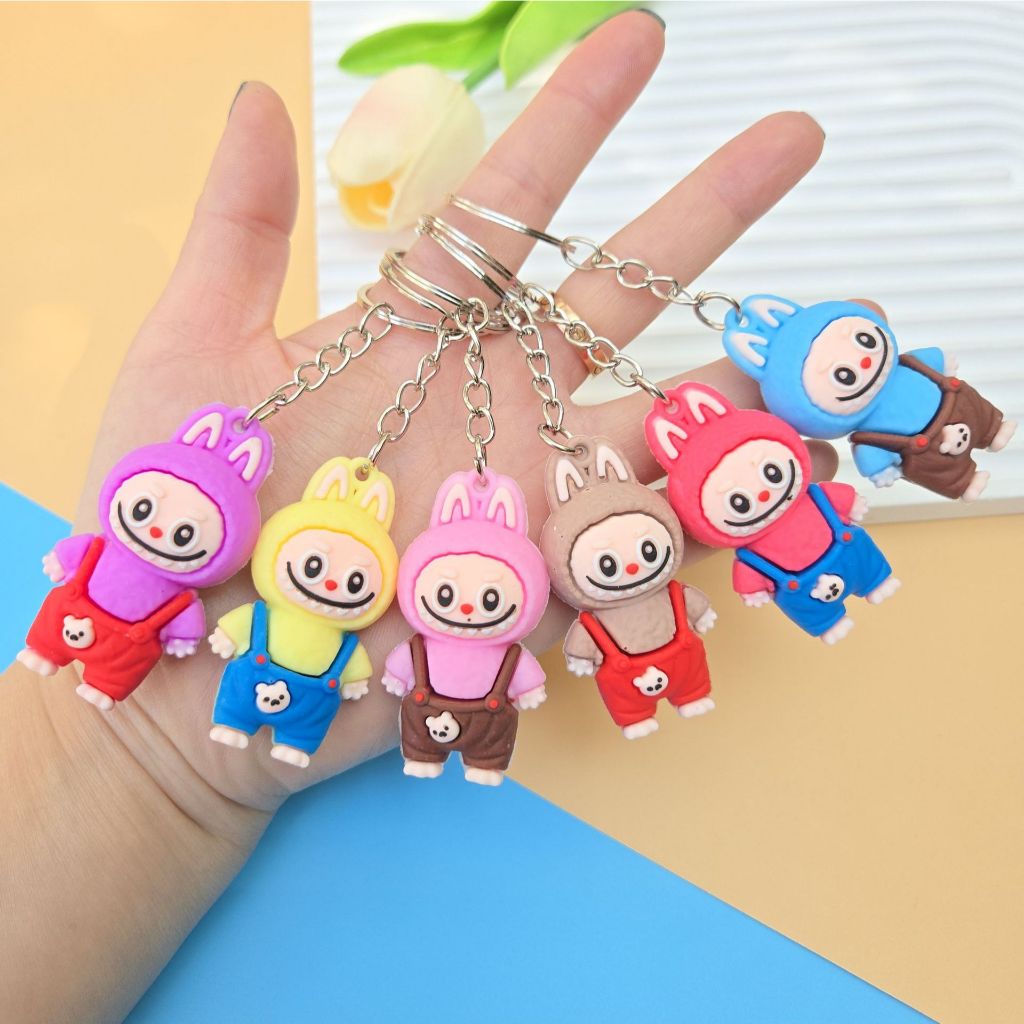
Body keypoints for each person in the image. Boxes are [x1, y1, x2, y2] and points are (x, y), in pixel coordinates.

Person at [0, 11, 841, 1022]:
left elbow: (483, 661)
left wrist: (152, 759)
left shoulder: (491, 584)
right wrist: (156, 711)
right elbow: (194, 609)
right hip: (189, 649)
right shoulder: (257, 565)